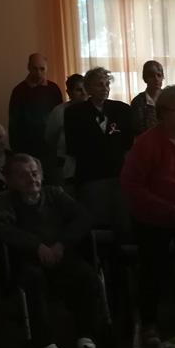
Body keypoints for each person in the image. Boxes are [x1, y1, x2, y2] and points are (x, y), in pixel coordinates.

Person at [0, 154, 100, 348]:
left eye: (34, 173)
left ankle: (86, 336)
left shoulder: (55, 194)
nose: (32, 179)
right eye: (23, 176)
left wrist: (61, 244)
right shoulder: (6, 202)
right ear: (10, 181)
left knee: (86, 274)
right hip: (27, 261)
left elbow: (83, 216)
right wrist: (36, 246)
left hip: (60, 254)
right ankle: (44, 344)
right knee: (33, 279)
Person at [120, 85, 175, 348]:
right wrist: (168, 209)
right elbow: (133, 187)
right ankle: (149, 324)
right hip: (153, 218)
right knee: (152, 271)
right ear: (164, 113)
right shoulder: (146, 143)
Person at [64, 67, 133, 233]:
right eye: (99, 84)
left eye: (107, 84)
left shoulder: (122, 110)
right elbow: (73, 147)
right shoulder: (74, 113)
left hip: (117, 174)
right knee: (96, 222)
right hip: (91, 176)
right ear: (88, 88)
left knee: (121, 221)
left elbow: (128, 143)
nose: (105, 88)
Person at [8, 53, 63, 162]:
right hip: (27, 147)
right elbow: (13, 122)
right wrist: (16, 149)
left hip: (51, 146)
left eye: (42, 69)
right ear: (28, 68)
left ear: (47, 68)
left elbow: (60, 116)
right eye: (35, 69)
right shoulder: (19, 90)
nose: (38, 73)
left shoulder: (53, 88)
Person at [44, 74, 86, 187]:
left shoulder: (93, 109)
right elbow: (50, 138)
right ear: (69, 92)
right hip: (66, 163)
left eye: (85, 89)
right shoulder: (59, 111)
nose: (84, 93)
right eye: (78, 90)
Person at [128, 60, 165, 136]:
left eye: (159, 75)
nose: (156, 79)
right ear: (145, 79)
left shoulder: (170, 98)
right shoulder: (137, 102)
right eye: (152, 76)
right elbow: (137, 130)